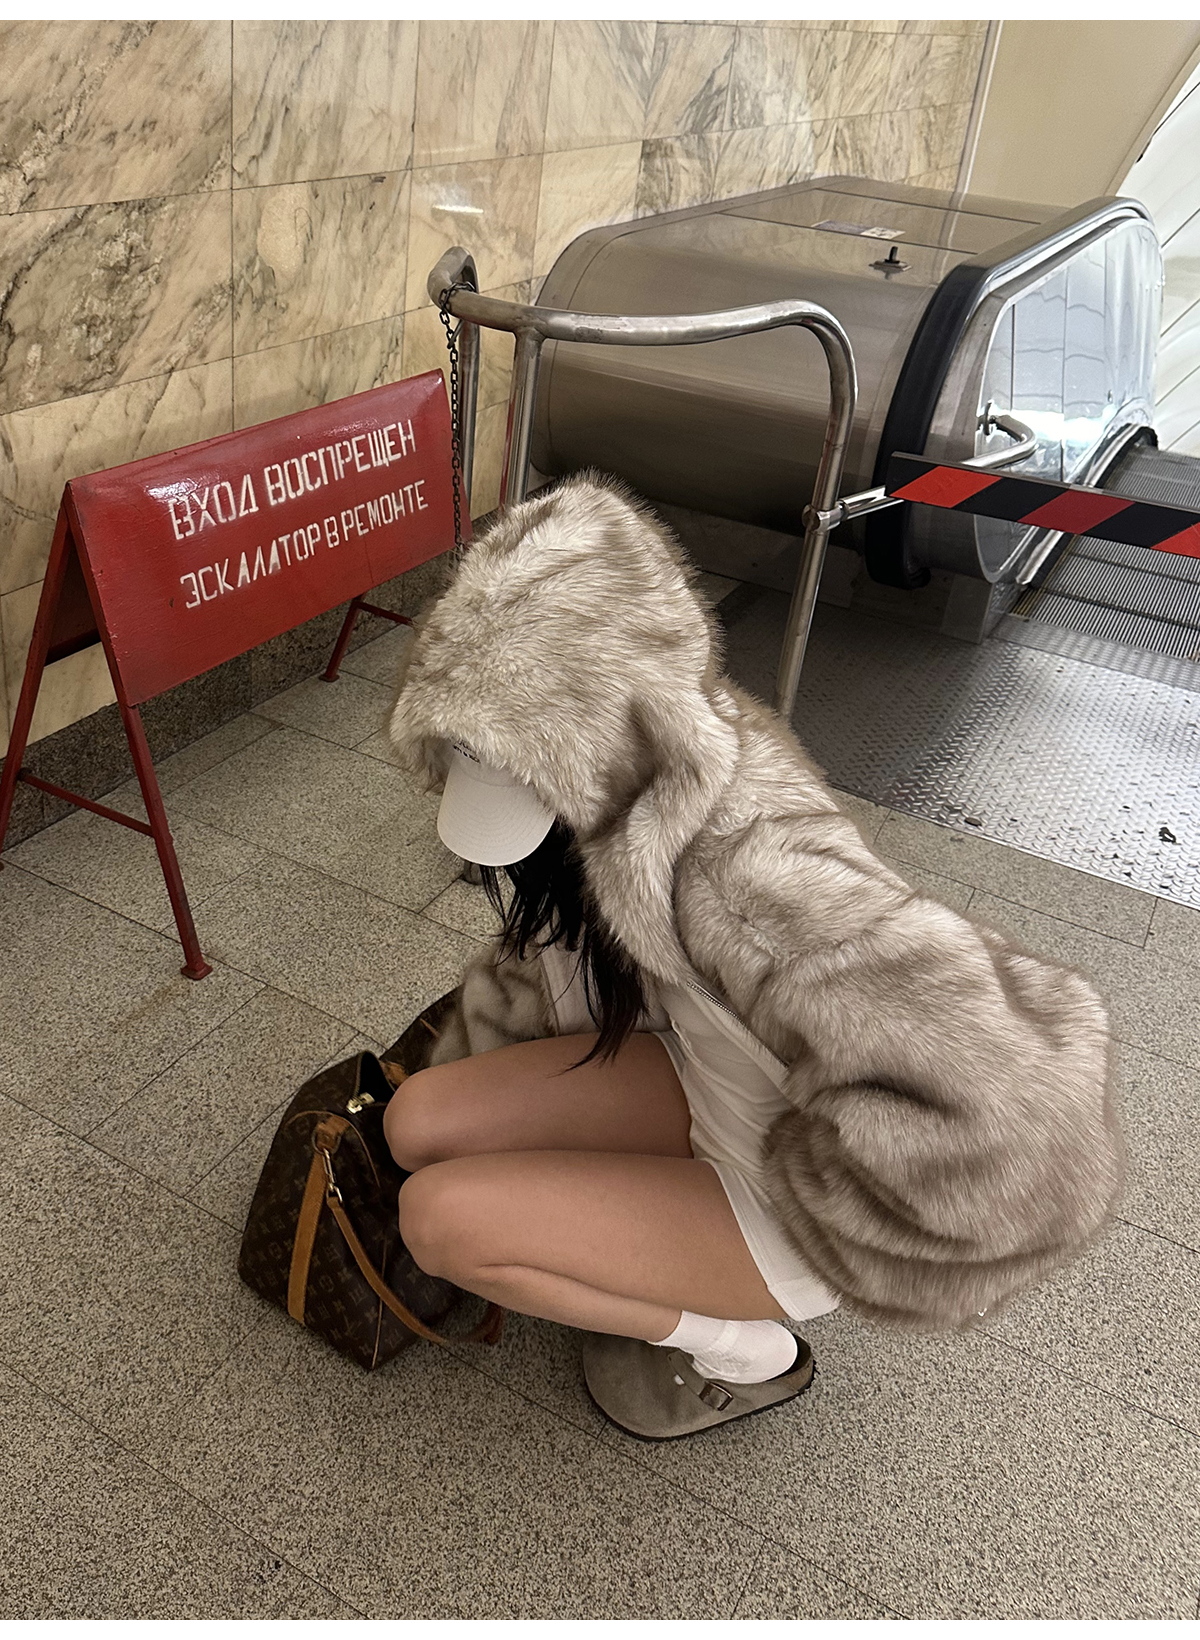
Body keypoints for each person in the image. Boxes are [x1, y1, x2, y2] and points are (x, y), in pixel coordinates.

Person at [382, 472, 1122, 1441]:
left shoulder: (757, 878)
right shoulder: (641, 775)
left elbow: (1032, 1118)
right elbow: (549, 965)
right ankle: (628, 1237)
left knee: (441, 1222)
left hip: (776, 1178)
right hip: (700, 1083)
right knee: (417, 1122)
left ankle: (746, 1349)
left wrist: (839, 1218)